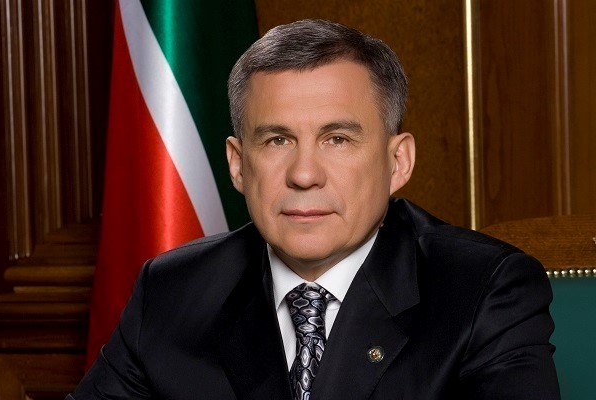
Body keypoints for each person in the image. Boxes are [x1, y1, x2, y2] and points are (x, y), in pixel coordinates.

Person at [69, 19, 560, 399]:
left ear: (398, 162)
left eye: (337, 139)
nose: (304, 174)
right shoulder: (171, 292)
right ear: (238, 165)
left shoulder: (483, 290)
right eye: (277, 140)